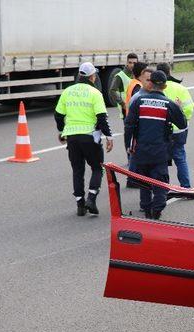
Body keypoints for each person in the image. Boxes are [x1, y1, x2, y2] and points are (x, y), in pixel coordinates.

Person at [124, 70, 187, 219]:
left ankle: (146, 210)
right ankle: (156, 211)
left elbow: (129, 126)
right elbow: (182, 124)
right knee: (161, 184)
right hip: (160, 151)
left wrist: (128, 146)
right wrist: (179, 108)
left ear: (150, 83)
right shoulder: (169, 105)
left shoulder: (138, 101)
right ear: (165, 86)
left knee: (145, 182)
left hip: (141, 150)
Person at [54, 62, 114, 216]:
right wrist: (109, 136)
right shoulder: (95, 93)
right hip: (90, 136)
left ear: (79, 76)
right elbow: (102, 117)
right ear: (92, 77)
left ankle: (80, 205)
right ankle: (91, 199)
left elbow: (58, 115)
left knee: (77, 170)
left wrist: (62, 131)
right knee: (97, 168)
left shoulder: (68, 91)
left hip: (72, 137)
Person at [157, 62, 194, 188]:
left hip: (161, 131)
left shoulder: (155, 89)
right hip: (179, 131)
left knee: (161, 161)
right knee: (180, 158)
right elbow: (189, 108)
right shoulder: (181, 88)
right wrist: (183, 119)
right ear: (169, 72)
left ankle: (163, 188)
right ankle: (186, 186)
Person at [122, 62, 151, 156]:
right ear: (142, 73)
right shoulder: (138, 87)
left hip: (130, 119)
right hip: (135, 122)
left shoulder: (133, 83)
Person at [109, 53, 138, 119]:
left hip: (137, 107)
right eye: (130, 62)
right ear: (126, 63)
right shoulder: (120, 76)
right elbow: (112, 91)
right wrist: (122, 104)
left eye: (134, 63)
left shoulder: (138, 75)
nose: (132, 65)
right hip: (126, 109)